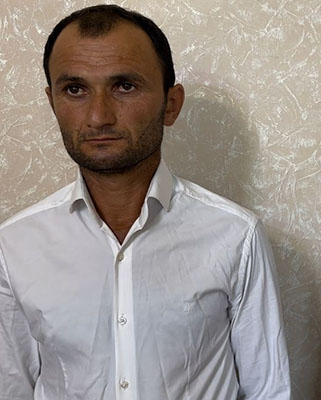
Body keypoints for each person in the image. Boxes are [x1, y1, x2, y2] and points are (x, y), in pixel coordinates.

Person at [0, 5, 290, 399]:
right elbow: (11, 386)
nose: (99, 116)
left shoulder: (235, 235)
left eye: (124, 86)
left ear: (171, 104)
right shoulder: (14, 245)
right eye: (75, 89)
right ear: (52, 102)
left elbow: (269, 390)